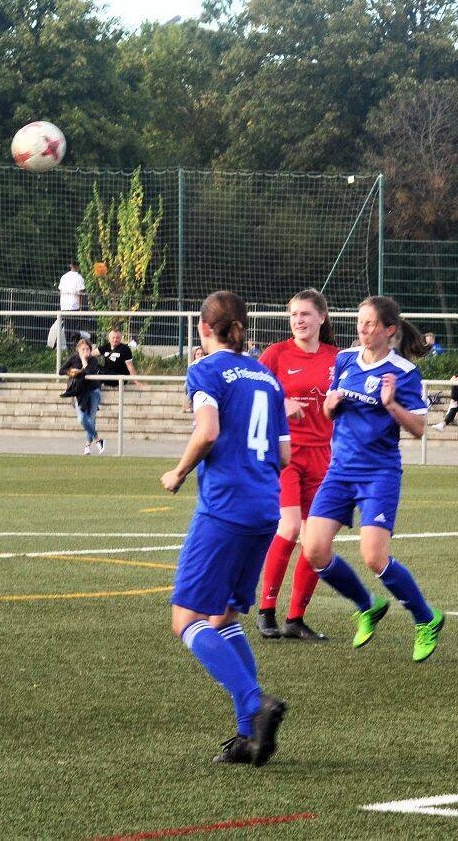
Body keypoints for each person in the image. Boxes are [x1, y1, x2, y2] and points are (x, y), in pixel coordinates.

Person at [160, 290, 290, 767]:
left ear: (203, 328)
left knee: (186, 619)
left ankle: (255, 703)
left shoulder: (205, 370)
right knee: (224, 618)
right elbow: (284, 455)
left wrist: (179, 472)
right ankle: (247, 737)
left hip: (225, 507)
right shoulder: (267, 377)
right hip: (265, 507)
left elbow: (208, 430)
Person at [302, 296, 444, 663]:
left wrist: (391, 404)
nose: (362, 329)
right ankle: (367, 605)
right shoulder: (345, 360)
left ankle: (425, 619)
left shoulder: (403, 372)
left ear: (389, 330)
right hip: (340, 470)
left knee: (373, 557)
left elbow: (418, 428)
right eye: (360, 322)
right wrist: (330, 405)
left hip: (379, 472)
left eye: (370, 324)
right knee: (314, 549)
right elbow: (329, 409)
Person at [254, 290, 339, 642]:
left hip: (324, 457)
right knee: (289, 527)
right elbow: (252, 396)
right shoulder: (276, 354)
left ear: (322, 317)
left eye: (305, 314)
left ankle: (295, 619)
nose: (299, 320)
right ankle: (265, 611)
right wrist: (281, 404)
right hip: (286, 454)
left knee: (316, 542)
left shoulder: (338, 358)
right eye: (293, 315)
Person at [59, 337, 105, 455]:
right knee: (82, 419)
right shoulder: (73, 359)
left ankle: (87, 446)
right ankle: (98, 439)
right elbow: (61, 370)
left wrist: (84, 360)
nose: (85, 351)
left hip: (93, 391)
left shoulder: (93, 360)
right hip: (79, 393)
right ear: (78, 350)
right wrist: (72, 371)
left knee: (91, 419)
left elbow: (88, 372)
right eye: (82, 349)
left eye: (87, 349)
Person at [57, 260, 86, 344]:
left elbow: (60, 291)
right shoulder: (79, 277)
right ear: (78, 266)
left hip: (64, 306)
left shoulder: (64, 277)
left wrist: (61, 305)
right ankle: (74, 345)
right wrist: (80, 307)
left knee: (67, 327)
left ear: (70, 266)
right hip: (74, 306)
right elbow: (80, 293)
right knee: (75, 327)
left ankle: (69, 345)